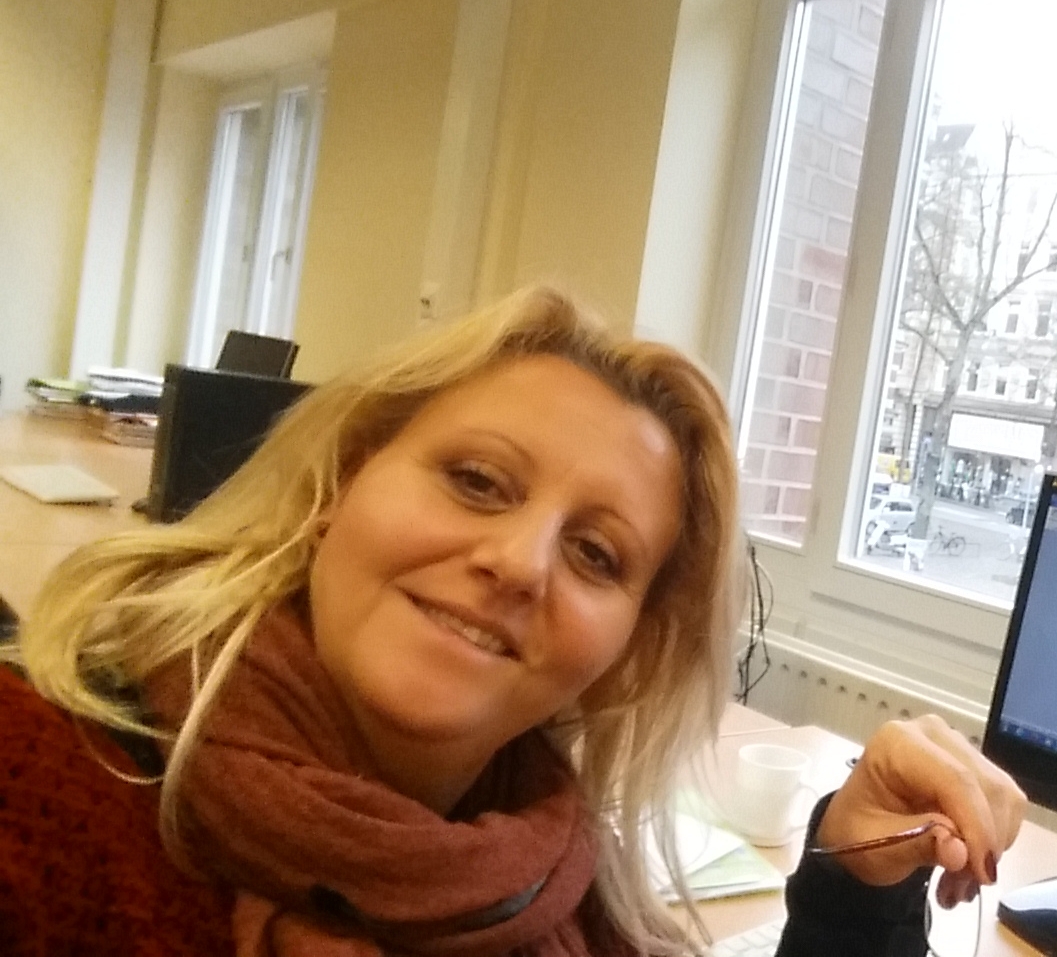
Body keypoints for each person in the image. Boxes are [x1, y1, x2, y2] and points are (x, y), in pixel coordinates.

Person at [0, 286, 1025, 956]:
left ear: (622, 654)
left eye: (596, 554)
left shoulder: (571, 899)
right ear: (337, 490)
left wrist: (854, 887)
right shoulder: (44, 797)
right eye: (477, 481)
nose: (519, 562)